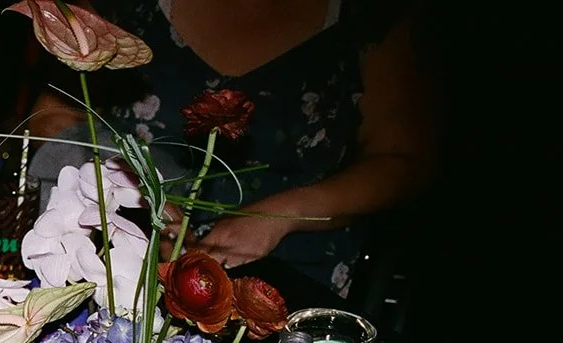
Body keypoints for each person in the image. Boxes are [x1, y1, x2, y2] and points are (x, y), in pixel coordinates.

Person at [23, 0, 437, 299]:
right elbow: (52, 118)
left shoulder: (370, 15)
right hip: (122, 260)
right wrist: (134, 194)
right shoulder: (126, 6)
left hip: (290, 279)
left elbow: (405, 160)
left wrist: (281, 214)